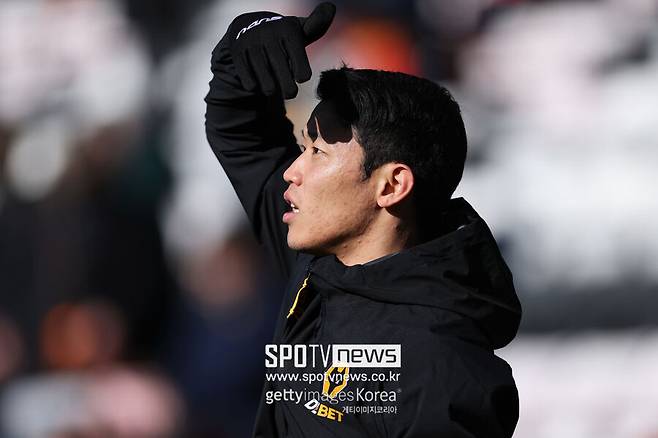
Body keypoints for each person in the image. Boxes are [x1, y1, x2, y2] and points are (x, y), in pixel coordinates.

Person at [205, 3, 521, 437]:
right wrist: (245, 41)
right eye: (303, 147)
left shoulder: (439, 370)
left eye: (318, 152)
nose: (293, 171)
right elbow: (240, 130)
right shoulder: (319, 264)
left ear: (391, 186)